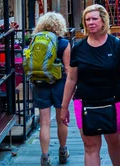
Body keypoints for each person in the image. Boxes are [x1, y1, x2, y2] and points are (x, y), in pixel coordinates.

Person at [60, 5, 120, 166]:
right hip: (86, 103)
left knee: (114, 142)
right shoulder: (79, 48)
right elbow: (71, 79)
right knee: (90, 146)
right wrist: (64, 107)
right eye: (87, 19)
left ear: (103, 21)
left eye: (94, 19)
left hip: (114, 101)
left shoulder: (116, 45)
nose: (91, 22)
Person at [32, 12, 71, 166]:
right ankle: (62, 151)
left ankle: (45, 157)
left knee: (45, 123)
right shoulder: (63, 43)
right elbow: (68, 69)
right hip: (59, 84)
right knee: (62, 121)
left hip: (40, 84)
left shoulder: (35, 40)